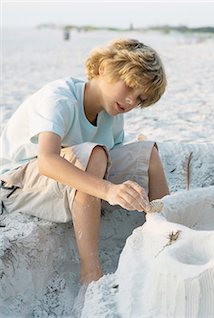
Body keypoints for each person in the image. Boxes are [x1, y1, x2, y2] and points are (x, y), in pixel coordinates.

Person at [0, 38, 170, 285]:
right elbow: (47, 161)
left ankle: (168, 236)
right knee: (95, 153)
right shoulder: (59, 99)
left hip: (67, 180)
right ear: (104, 68)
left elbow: (115, 163)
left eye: (140, 98)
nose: (132, 101)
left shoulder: (113, 114)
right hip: (16, 184)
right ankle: (90, 272)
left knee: (148, 154)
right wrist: (108, 190)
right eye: (130, 87)